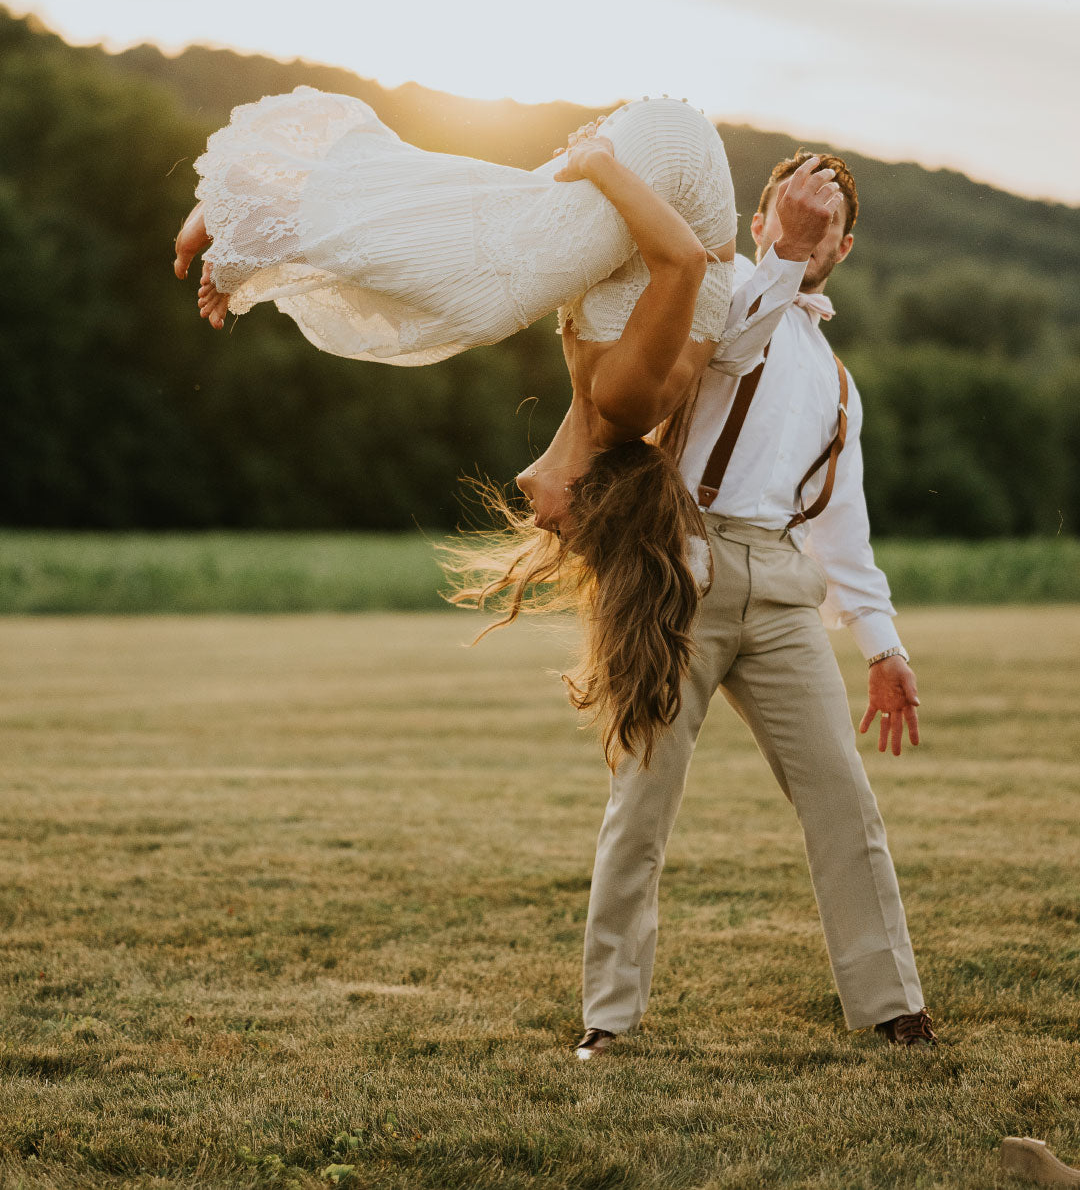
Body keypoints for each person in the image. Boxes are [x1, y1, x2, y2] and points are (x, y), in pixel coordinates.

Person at [174, 89, 840, 764]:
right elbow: (685, 262)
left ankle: (264, 217)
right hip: (682, 165)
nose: (543, 526)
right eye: (570, 533)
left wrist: (583, 165)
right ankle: (263, 214)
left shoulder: (594, 395)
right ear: (590, 493)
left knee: (501, 251)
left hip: (655, 172)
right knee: (486, 296)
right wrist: (597, 162)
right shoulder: (626, 403)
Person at [576, 150, 936, 1062]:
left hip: (781, 590)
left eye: (822, 224)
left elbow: (843, 529)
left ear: (844, 248)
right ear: (759, 217)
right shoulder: (722, 297)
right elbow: (732, 349)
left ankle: (894, 1006)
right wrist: (781, 249)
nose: (802, 228)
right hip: (679, 566)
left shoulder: (840, 382)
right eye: (784, 209)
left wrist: (883, 648)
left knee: (844, 801)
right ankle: (609, 1020)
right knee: (643, 801)